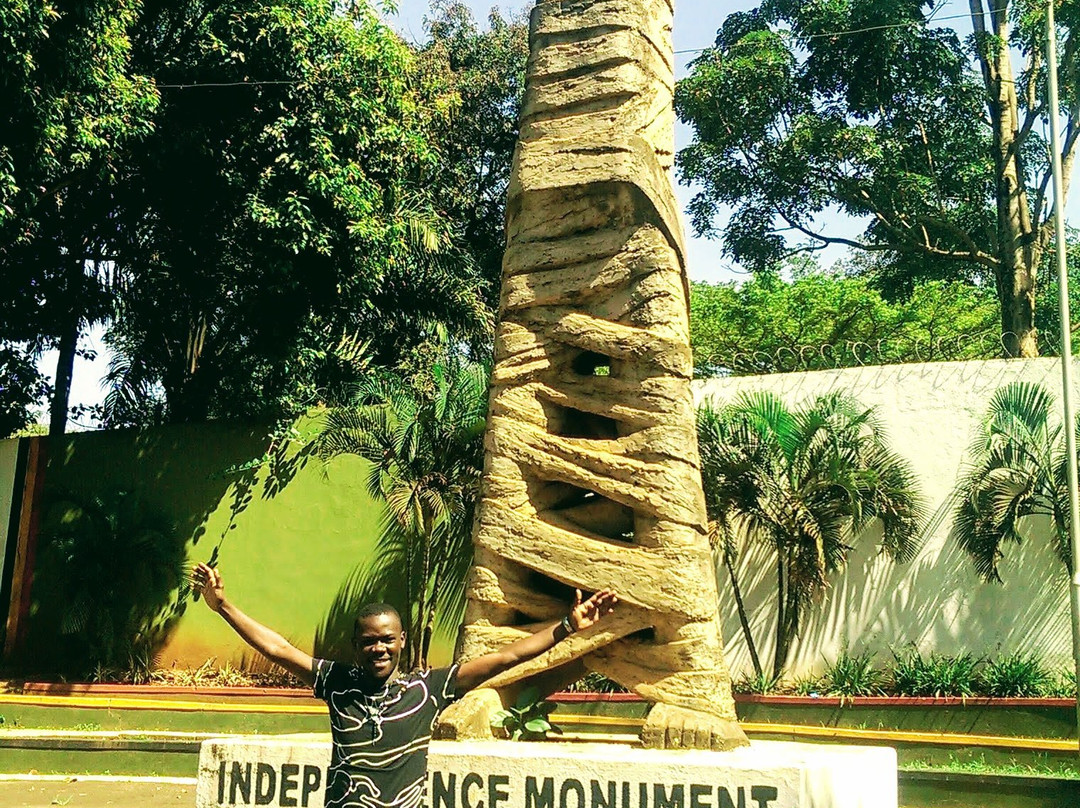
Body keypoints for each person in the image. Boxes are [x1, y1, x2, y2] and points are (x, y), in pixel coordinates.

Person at [191, 562, 618, 808]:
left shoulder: (428, 689)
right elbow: (279, 649)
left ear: (402, 641)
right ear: (356, 646)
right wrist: (223, 606)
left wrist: (566, 626)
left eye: (387, 639)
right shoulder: (338, 683)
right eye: (369, 641)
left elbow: (505, 658)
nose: (379, 648)